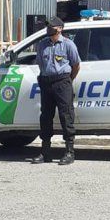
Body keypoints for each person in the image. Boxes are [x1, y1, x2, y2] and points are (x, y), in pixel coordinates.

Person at [32, 17, 81, 166]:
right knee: (45, 117)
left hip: (62, 82)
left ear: (60, 28)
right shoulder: (42, 45)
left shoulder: (68, 44)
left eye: (52, 27)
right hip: (46, 82)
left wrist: (67, 80)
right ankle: (45, 152)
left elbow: (76, 65)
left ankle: (69, 152)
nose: (49, 29)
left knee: (66, 115)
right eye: (48, 27)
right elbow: (41, 64)